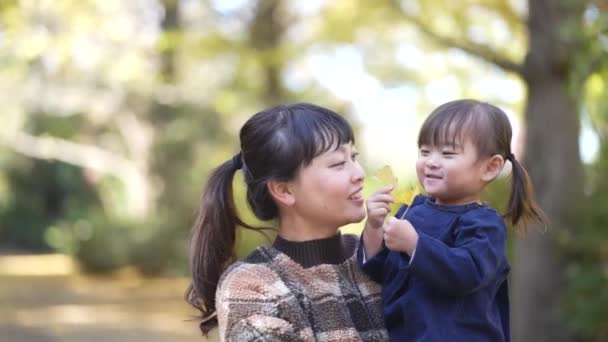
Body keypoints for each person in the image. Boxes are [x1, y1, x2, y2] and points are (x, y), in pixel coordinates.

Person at [186, 103, 388, 341]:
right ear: (283, 191)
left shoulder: (378, 256)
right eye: (338, 164)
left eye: (354, 157)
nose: (359, 174)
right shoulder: (252, 285)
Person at [359, 99, 547, 341]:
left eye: (448, 153)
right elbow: (380, 270)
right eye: (425, 151)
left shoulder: (484, 225)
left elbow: (466, 273)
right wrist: (374, 226)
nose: (432, 161)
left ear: (490, 167)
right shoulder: (412, 211)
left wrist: (415, 245)